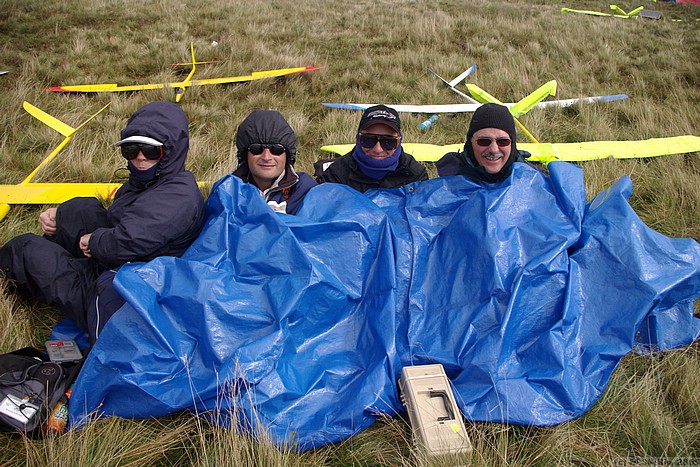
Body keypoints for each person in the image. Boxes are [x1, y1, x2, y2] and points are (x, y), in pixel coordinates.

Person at [0, 101, 206, 344]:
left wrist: (94, 241)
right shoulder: (148, 180)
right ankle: (54, 259)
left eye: (151, 151)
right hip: (127, 263)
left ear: (171, 152)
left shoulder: (176, 196)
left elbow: (128, 240)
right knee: (81, 209)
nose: (139, 158)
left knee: (26, 249)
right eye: (130, 150)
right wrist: (62, 216)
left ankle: (26, 273)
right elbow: (122, 221)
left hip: (126, 291)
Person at [317, 104, 428, 192]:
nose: (378, 149)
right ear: (357, 138)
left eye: (388, 142)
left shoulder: (415, 174)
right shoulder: (336, 175)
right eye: (368, 140)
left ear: (399, 141)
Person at [232, 109, 317, 214]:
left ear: (287, 155)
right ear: (245, 155)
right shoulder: (229, 190)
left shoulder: (304, 190)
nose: (266, 157)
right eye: (257, 149)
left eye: (276, 150)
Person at [436, 103, 532, 183]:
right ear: (470, 143)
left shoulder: (531, 180)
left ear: (512, 144)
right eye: (484, 141)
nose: (494, 150)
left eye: (503, 141)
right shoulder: (449, 180)